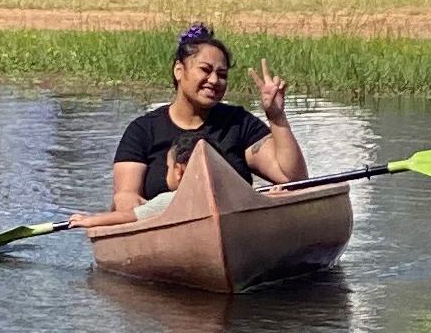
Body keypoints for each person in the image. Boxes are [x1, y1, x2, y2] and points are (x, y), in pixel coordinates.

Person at [93, 25, 307, 216]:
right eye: (205, 70)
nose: (214, 80)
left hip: (235, 226)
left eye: (222, 74)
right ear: (179, 70)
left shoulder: (238, 123)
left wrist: (276, 116)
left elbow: (292, 178)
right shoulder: (143, 130)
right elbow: (125, 196)